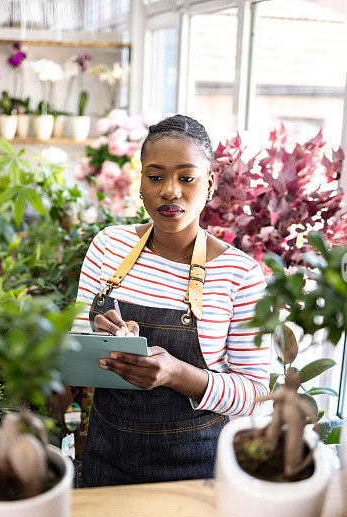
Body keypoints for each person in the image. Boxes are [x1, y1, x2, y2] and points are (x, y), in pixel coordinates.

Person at [73, 114, 271, 487]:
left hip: (195, 469)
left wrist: (177, 375)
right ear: (141, 182)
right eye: (156, 176)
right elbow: (75, 343)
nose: (170, 191)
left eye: (186, 177)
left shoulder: (239, 274)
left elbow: (257, 393)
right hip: (106, 456)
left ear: (210, 184)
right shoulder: (108, 246)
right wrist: (99, 336)